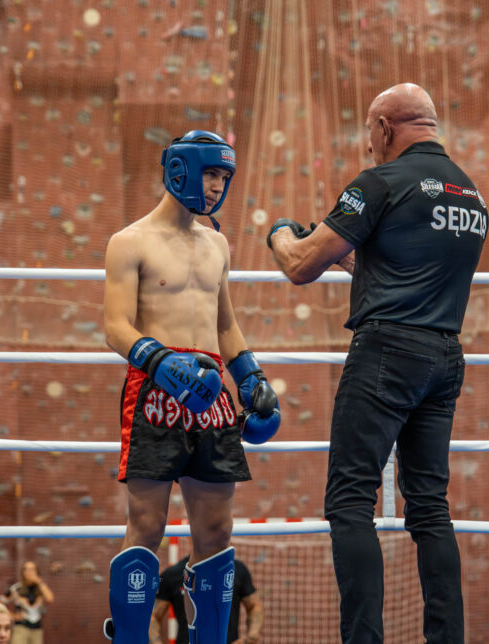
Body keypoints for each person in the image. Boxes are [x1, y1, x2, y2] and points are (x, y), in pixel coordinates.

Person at [266, 82, 487, 643]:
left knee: (349, 501)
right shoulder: (470, 194)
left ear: (385, 127)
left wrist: (280, 235)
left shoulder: (379, 182)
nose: (369, 146)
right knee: (430, 509)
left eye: (370, 133)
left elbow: (300, 266)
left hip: (387, 353)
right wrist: (348, 255)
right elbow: (402, 269)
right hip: (444, 356)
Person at [101, 130, 281, 644]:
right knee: (147, 526)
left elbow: (225, 325)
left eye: (224, 176)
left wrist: (252, 379)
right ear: (180, 170)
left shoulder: (217, 244)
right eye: (210, 174)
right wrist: (166, 366)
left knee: (217, 532)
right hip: (155, 392)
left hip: (212, 394)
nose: (217, 186)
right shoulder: (129, 241)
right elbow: (115, 326)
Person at [149, 556, 264, 644]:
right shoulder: (173, 574)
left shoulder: (236, 569)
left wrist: (251, 637)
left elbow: (254, 606)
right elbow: (153, 615)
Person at [3, 561, 55, 643]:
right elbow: (0, 602)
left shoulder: (40, 588)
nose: (29, 572)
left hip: (37, 628)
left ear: (37, 572)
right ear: (23, 572)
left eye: (32, 569)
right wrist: (12, 615)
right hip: (21, 627)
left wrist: (39, 582)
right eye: (26, 569)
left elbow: (50, 599)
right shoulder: (16, 588)